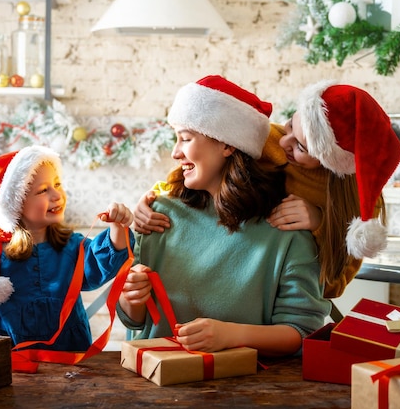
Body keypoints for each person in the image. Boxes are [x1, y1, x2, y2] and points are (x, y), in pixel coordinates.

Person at [118, 75, 331, 358]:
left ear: (227, 145)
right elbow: (134, 322)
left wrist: (232, 335)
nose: (175, 152)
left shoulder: (287, 230)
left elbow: (302, 332)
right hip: (154, 387)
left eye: (185, 138)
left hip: (247, 393)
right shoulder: (158, 215)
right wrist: (131, 298)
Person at [133, 79, 400, 298]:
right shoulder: (267, 139)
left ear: (331, 161)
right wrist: (155, 198)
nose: (284, 141)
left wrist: (320, 223)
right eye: (289, 126)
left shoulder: (360, 200)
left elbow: (332, 286)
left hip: (278, 299)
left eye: (300, 147)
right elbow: (195, 169)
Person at [0, 145, 134, 351]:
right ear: (13, 204)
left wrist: (117, 227)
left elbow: (99, 265)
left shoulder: (72, 246)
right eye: (42, 191)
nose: (57, 195)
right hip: (7, 368)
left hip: (70, 363)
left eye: (57, 185)